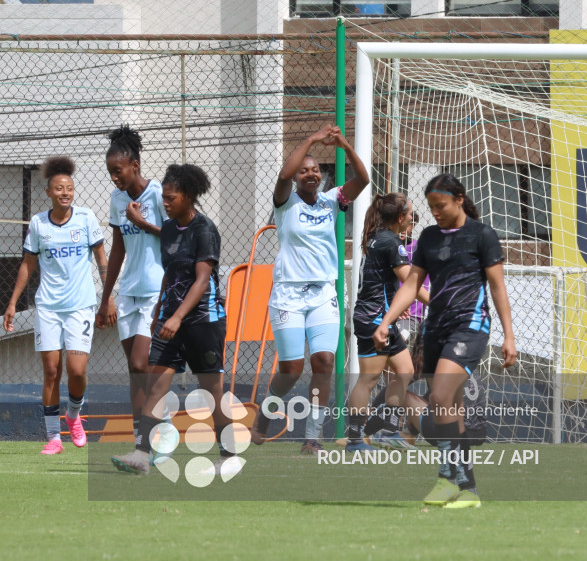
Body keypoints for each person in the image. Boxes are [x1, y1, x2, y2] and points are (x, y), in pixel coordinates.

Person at [373, 173, 517, 509]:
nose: (435, 212)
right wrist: (386, 321)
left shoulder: (482, 236)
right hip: (435, 328)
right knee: (449, 409)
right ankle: (468, 489)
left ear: (459, 199)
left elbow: (497, 287)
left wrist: (509, 336)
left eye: (441, 206)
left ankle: (445, 478)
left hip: (469, 327)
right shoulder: (428, 237)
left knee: (439, 396)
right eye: (431, 207)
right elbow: (411, 285)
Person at [250, 125, 370, 455]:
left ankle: (312, 437)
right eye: (305, 170)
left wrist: (343, 143)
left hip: (322, 294)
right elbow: (285, 173)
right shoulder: (285, 202)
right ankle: (265, 412)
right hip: (288, 294)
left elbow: (363, 179)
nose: (310, 173)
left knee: (324, 362)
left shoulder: (333, 201)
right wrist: (313, 139)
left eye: (316, 169)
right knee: (291, 368)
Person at [111, 164, 233, 476]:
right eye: (163, 197)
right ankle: (141, 454)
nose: (165, 203)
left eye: (171, 198)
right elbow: (172, 273)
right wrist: (158, 312)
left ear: (189, 197)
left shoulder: (205, 230)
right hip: (169, 322)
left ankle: (229, 455)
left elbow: (201, 280)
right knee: (155, 387)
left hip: (203, 322)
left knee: (212, 393)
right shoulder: (167, 230)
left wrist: (177, 317)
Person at [3, 156, 108, 455]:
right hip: (48, 307)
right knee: (51, 372)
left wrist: (108, 294)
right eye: (59, 188)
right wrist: (12, 303)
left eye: (70, 188)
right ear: (48, 192)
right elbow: (27, 265)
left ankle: (74, 417)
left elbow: (102, 258)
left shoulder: (86, 218)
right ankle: (53, 437)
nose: (65, 193)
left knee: (76, 370)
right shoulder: (38, 223)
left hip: (80, 306)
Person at [96, 125, 164, 448]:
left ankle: (154, 431)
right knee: (134, 370)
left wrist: (144, 224)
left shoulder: (159, 194)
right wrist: (106, 296)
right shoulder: (117, 199)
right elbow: (118, 247)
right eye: (110, 172)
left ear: (134, 165)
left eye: (118, 171)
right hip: (128, 293)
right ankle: (142, 439)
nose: (114, 178)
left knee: (141, 362)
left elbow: (178, 238)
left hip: (155, 291)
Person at [346, 193, 430, 452]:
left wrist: (393, 309)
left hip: (382, 317)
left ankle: (389, 431)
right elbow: (411, 282)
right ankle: (355, 439)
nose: (412, 220)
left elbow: (386, 281)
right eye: (410, 215)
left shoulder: (381, 238)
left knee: (404, 371)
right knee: (368, 380)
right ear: (399, 217)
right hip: (373, 319)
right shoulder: (390, 242)